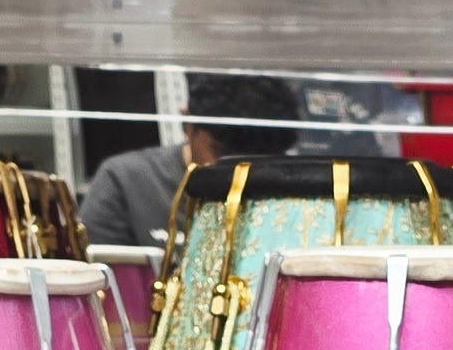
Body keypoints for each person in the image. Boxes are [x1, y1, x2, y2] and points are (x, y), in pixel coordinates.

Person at [74, 72, 302, 247]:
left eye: (261, 161)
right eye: (222, 155)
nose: (239, 173)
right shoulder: (124, 183)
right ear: (187, 124)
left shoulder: (300, 196)